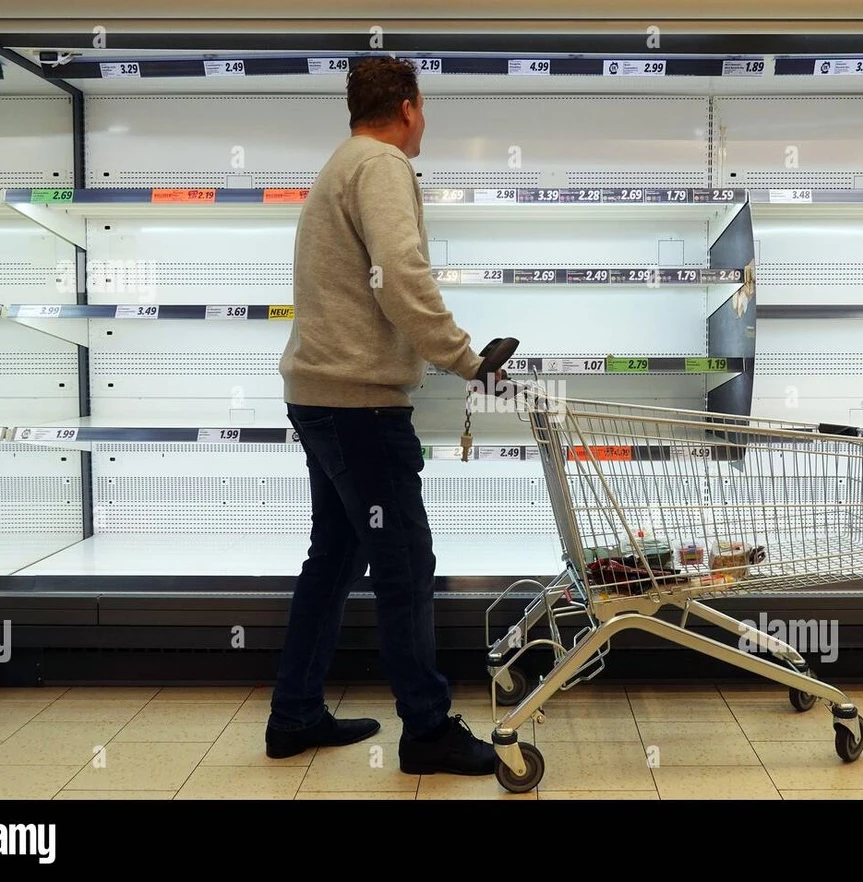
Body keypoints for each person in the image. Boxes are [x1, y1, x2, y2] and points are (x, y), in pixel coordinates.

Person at [265, 56, 502, 777]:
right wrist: (467, 360)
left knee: (335, 557)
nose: (423, 121)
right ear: (406, 106)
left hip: (319, 397)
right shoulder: (382, 166)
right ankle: (426, 730)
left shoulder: (341, 164)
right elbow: (401, 273)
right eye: (422, 107)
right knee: (403, 563)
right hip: (359, 409)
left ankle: (295, 713)